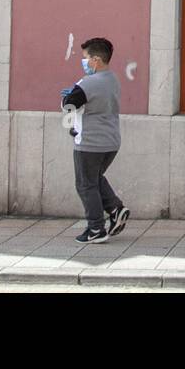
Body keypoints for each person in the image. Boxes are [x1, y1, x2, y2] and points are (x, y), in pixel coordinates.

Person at [61, 37, 129, 244]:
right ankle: (116, 209)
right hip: (111, 141)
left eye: (86, 58)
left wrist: (67, 97)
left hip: (90, 142)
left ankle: (95, 228)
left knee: (85, 184)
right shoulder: (113, 79)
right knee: (95, 178)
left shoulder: (87, 82)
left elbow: (68, 106)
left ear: (96, 60)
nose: (84, 62)